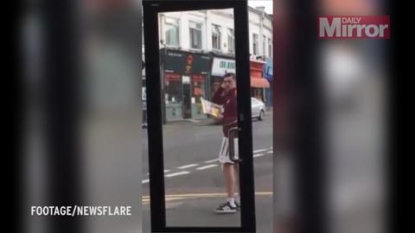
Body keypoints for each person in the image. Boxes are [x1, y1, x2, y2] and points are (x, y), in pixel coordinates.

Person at [211, 73, 240, 213]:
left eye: (229, 81)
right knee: (234, 165)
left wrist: (222, 119)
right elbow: (215, 99)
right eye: (224, 82)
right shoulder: (228, 96)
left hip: (232, 135)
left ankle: (231, 202)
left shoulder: (235, 97)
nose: (226, 84)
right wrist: (221, 88)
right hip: (231, 134)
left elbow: (237, 118)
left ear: (235, 82)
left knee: (227, 164)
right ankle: (236, 199)